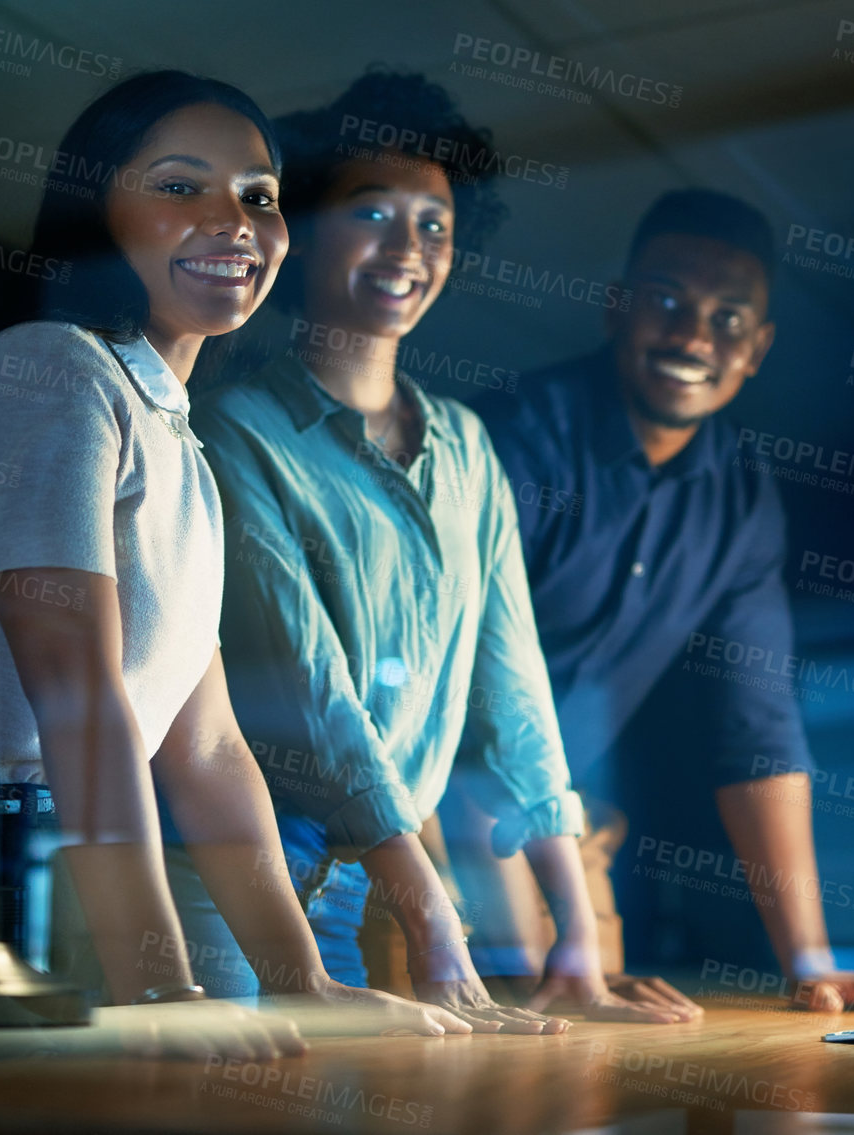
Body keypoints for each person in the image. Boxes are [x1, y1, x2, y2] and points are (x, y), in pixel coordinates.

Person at [0, 70, 470, 1055]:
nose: (235, 220)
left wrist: (304, 983)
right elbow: (79, 693)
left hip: (43, 883)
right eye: (179, 187)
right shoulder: (50, 369)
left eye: (259, 196)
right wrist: (160, 988)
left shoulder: (182, 445)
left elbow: (207, 750)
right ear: (95, 214)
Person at [186, 71, 702, 1030]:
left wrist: (577, 939)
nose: (406, 248)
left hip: (364, 888)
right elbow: (313, 696)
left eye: (434, 226)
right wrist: (435, 921)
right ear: (302, 229)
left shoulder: (466, 444)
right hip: (234, 886)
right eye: (372, 212)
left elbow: (515, 693)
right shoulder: (232, 431)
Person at [460, 188, 854, 1013]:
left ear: (757, 348)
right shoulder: (513, 437)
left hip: (568, 840)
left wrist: (810, 962)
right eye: (666, 302)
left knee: (584, 1081)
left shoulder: (741, 495)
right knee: (441, 1083)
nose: (693, 337)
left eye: (728, 318)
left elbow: (756, 732)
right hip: (432, 829)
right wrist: (519, 958)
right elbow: (461, 694)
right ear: (617, 307)